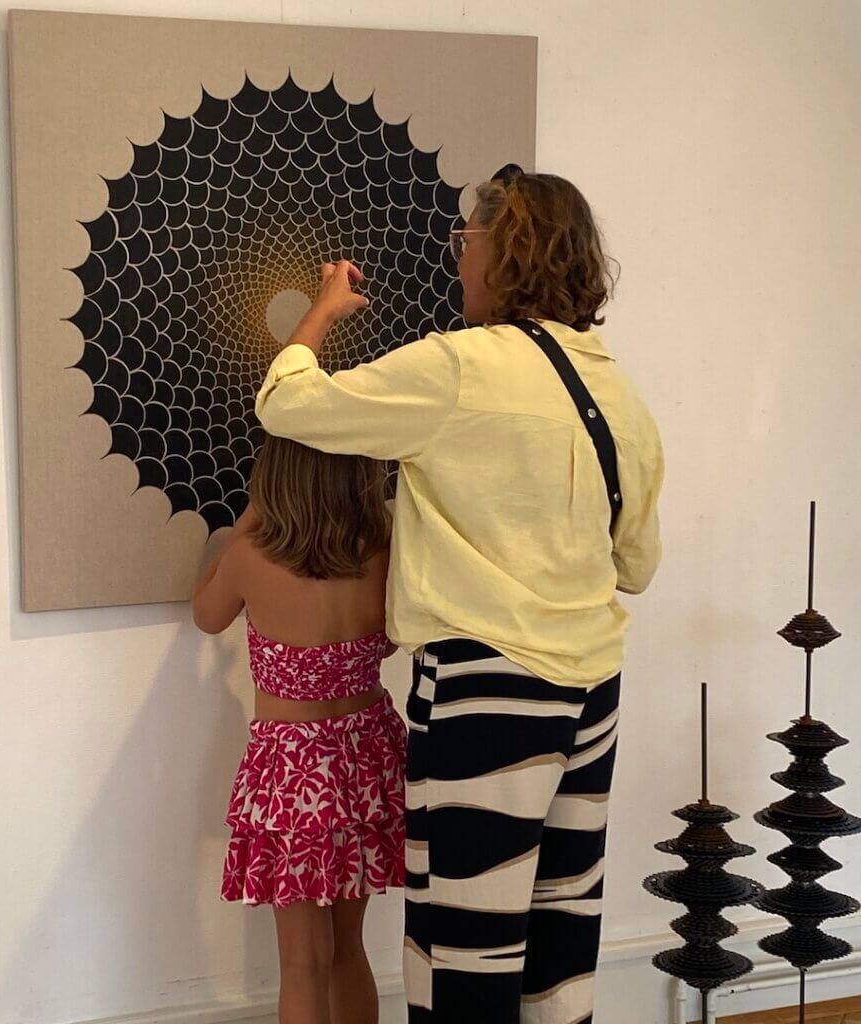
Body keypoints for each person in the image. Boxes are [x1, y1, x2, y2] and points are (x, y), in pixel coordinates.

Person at [252, 166, 664, 1023]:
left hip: (486, 692)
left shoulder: (457, 368)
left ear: (503, 251)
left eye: (464, 241)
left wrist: (319, 314)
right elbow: (636, 564)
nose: (458, 260)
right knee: (560, 940)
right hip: (593, 688)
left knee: (465, 949)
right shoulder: (617, 387)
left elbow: (288, 404)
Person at [192, 433, 407, 1024]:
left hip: (293, 772)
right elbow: (395, 635)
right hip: (366, 755)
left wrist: (247, 519)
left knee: (303, 962)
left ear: (274, 478)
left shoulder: (250, 557)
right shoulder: (383, 551)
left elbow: (206, 615)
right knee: (348, 949)